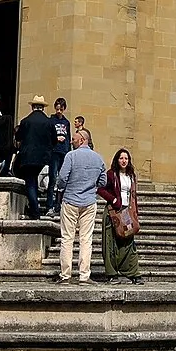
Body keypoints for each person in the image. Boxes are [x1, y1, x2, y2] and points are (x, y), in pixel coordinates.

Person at [54, 129, 106, 284]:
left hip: (70, 199)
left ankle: (66, 275)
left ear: (83, 139)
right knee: (86, 239)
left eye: (74, 139)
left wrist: (63, 187)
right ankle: (84, 275)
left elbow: (62, 178)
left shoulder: (71, 156)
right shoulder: (98, 158)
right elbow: (103, 181)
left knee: (67, 238)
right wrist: (91, 186)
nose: (71, 141)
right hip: (89, 201)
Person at [99, 147, 144, 283]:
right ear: (117, 160)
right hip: (113, 212)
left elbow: (133, 195)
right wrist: (113, 199)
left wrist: (135, 211)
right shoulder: (111, 174)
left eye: (126, 158)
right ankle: (111, 273)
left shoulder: (131, 176)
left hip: (126, 213)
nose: (124, 161)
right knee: (110, 243)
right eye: (121, 158)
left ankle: (133, 273)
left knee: (129, 241)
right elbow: (100, 188)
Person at [14, 96, 56, 220]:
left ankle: (35, 211)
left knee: (30, 182)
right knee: (33, 180)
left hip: (28, 156)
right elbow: (54, 139)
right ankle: (33, 207)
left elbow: (18, 137)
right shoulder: (48, 122)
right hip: (43, 157)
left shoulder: (26, 121)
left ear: (32, 107)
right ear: (43, 108)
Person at [47, 99, 73, 215]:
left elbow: (68, 137)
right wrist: (56, 139)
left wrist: (69, 153)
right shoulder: (51, 120)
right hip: (54, 152)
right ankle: (49, 206)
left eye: (61, 109)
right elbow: (48, 136)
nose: (58, 111)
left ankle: (59, 205)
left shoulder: (66, 122)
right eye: (57, 109)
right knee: (52, 179)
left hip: (64, 152)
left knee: (63, 180)